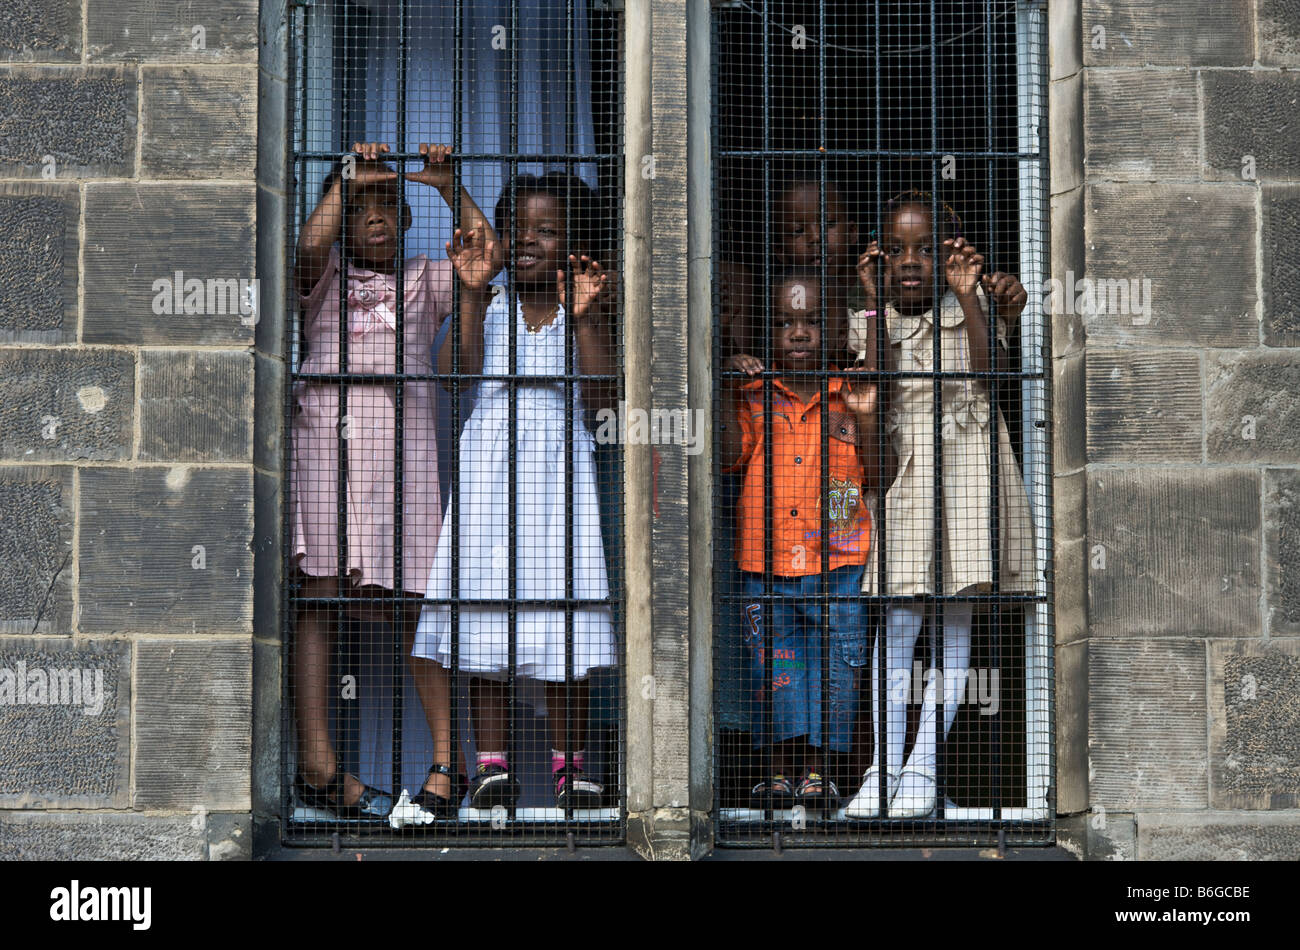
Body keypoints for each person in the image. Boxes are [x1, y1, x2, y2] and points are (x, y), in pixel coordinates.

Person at [291, 141, 499, 820]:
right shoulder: (320, 277)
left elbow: (484, 253)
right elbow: (303, 248)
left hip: (406, 462)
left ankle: (447, 764)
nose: (375, 215)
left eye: (388, 202)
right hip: (327, 454)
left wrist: (447, 185)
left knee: (420, 606)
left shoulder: (422, 276)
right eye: (361, 205)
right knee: (319, 597)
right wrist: (349, 179)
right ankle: (319, 763)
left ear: (409, 218)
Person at [412, 172, 618, 810]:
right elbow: (456, 375)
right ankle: (493, 766)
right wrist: (471, 296)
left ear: (574, 243)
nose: (529, 242)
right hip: (489, 467)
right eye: (520, 229)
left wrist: (585, 317)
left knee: (563, 612)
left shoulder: (586, 305)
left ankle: (572, 765)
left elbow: (603, 398)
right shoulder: (492, 303)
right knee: (484, 610)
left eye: (547, 231)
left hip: (559, 466)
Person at [844, 193, 1034, 819]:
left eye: (926, 249)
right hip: (906, 474)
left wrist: (971, 294)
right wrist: (873, 303)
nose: (909, 261)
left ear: (951, 255)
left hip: (968, 472)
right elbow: (876, 388)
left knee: (956, 619)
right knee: (898, 621)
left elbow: (988, 377)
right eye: (895, 249)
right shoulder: (871, 319)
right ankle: (882, 767)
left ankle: (925, 765)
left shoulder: (971, 309)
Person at [721, 269, 890, 807]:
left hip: (837, 560)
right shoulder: (752, 395)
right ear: (766, 332)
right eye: (784, 322)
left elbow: (879, 474)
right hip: (764, 558)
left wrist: (865, 419)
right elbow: (728, 460)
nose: (798, 333)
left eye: (812, 322)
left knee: (835, 665)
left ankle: (819, 771)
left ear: (839, 333)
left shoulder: (852, 392)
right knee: (776, 665)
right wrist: (724, 387)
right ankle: (777, 769)